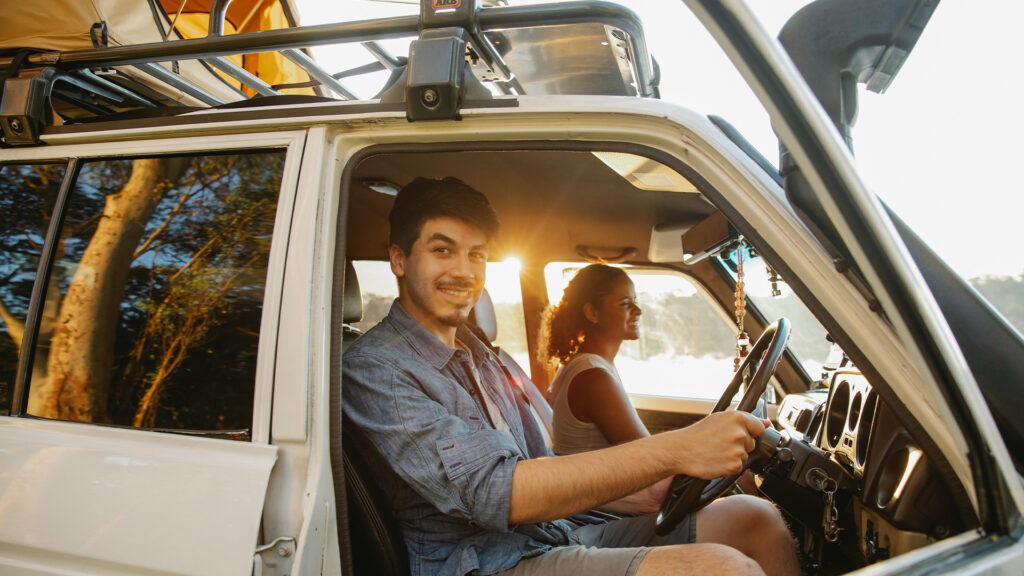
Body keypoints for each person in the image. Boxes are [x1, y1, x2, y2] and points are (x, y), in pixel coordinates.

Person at [342, 177, 800, 576]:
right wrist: (677, 448)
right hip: (486, 562)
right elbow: (496, 492)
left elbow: (545, 460)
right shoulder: (376, 368)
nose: (464, 271)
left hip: (552, 533)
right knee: (725, 570)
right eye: (442, 250)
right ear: (399, 260)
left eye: (476, 254)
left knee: (753, 518)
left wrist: (649, 491)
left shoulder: (482, 353)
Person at [540, 264, 670, 513]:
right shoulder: (593, 378)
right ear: (592, 312)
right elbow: (650, 459)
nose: (638, 310)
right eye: (624, 304)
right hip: (600, 512)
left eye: (635, 301)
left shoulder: (589, 366)